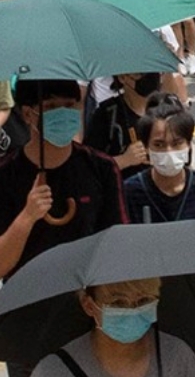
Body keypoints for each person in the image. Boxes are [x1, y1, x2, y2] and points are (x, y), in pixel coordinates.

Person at [0, 80, 128, 377]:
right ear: (29, 114)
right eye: (52, 107)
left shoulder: (101, 168)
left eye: (70, 106)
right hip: (27, 320)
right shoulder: (6, 175)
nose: (64, 115)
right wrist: (27, 216)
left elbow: (118, 248)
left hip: (87, 318)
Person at [29, 278, 195, 377]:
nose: (132, 311)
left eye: (144, 301)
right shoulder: (54, 371)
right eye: (118, 303)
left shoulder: (177, 357)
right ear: (89, 306)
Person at [124, 93, 195, 228]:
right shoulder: (130, 191)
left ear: (189, 144)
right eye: (159, 144)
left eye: (177, 143)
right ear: (146, 148)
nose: (169, 151)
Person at [85, 73, 159, 180]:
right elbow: (90, 165)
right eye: (140, 73)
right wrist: (124, 160)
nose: (149, 77)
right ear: (122, 77)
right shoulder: (107, 114)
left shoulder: (167, 108)